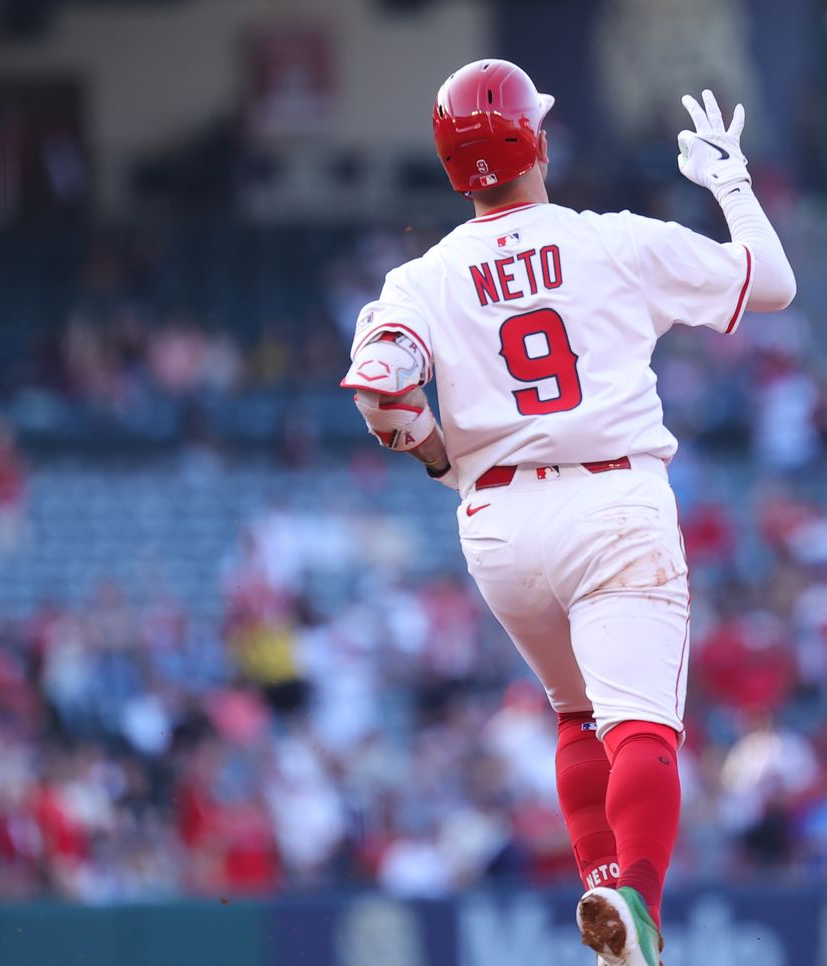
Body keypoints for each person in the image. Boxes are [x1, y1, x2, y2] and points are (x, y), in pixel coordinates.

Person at [340, 59, 795, 966]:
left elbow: (382, 392)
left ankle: (600, 899)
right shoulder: (609, 240)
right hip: (612, 495)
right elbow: (770, 282)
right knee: (639, 727)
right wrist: (731, 185)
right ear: (535, 138)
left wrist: (440, 460)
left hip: (499, 523)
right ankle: (641, 909)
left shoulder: (419, 280)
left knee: (576, 717)